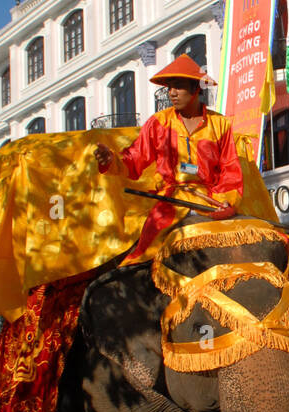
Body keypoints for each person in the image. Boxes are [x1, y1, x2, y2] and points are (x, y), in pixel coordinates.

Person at [94, 55, 243, 264]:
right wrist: (110, 160)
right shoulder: (158, 123)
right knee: (142, 260)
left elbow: (230, 168)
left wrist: (226, 200)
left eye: (179, 86)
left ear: (196, 89)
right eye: (169, 88)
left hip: (210, 200)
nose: (172, 93)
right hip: (170, 202)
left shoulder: (220, 124)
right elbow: (135, 158)